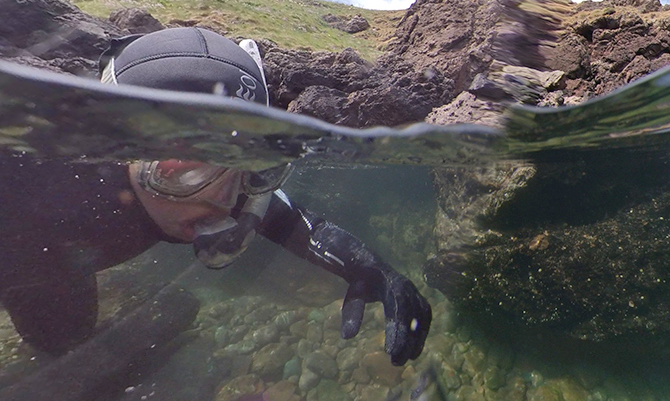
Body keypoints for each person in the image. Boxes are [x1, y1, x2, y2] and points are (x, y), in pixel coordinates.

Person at [0, 27, 431, 367]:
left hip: (62, 268)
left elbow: (301, 225)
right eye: (188, 170)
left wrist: (375, 270)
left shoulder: (230, 191)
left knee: (64, 337)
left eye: (251, 169)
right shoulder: (28, 178)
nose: (223, 201)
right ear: (120, 149)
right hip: (33, 259)